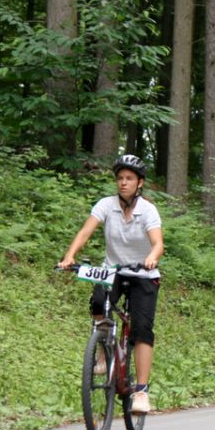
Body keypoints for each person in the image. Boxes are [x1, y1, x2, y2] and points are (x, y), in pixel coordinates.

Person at [58, 155, 164, 414]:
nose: (123, 183)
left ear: (140, 183)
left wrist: (151, 257)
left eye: (129, 178)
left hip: (143, 274)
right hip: (113, 270)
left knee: (141, 328)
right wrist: (69, 256)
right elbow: (85, 232)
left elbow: (158, 243)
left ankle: (141, 391)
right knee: (98, 302)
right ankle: (103, 353)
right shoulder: (106, 205)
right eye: (120, 178)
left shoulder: (147, 210)